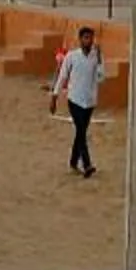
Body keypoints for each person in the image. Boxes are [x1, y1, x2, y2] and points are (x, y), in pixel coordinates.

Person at [49, 26, 104, 178]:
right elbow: (62, 77)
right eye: (86, 38)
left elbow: (101, 77)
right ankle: (87, 164)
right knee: (81, 131)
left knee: (81, 132)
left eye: (91, 38)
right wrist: (54, 97)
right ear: (80, 40)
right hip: (74, 100)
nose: (89, 41)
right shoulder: (72, 56)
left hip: (89, 101)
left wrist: (99, 61)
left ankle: (73, 161)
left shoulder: (96, 57)